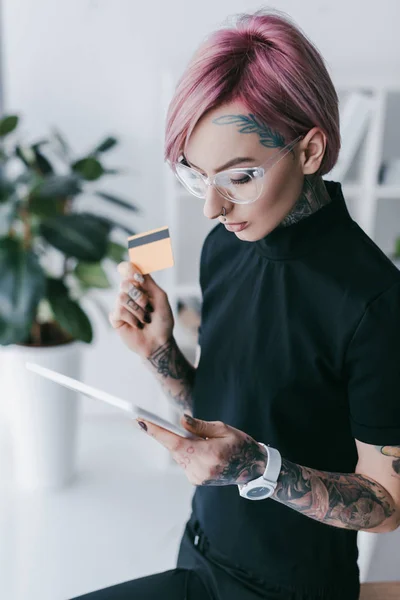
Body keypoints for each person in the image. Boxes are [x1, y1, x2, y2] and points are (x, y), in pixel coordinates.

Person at [70, 8, 400, 600]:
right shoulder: (225, 247)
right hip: (200, 555)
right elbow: (224, 418)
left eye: (240, 177)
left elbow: (387, 504)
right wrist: (161, 353)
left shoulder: (374, 303)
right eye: (198, 177)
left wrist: (262, 471)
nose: (213, 209)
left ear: (309, 150)